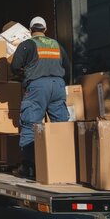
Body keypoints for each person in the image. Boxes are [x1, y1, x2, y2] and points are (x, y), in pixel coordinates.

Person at [10, 16, 70, 178]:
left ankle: (29, 167)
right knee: (60, 126)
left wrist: (22, 77)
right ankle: (63, 164)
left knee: (30, 124)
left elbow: (15, 66)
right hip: (58, 85)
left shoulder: (27, 44)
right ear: (45, 29)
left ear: (31, 30)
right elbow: (68, 69)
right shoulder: (58, 45)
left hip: (37, 87)